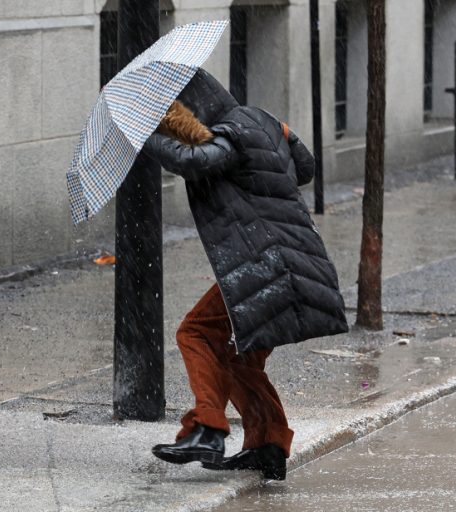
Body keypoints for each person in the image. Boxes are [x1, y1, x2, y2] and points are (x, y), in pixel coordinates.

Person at [144, 71, 348, 481]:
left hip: (264, 260)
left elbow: (193, 162)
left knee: (197, 333)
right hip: (299, 256)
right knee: (240, 355)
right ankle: (268, 444)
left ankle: (206, 429)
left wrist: (145, 134)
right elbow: (304, 168)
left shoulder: (230, 133)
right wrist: (280, 138)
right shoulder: (265, 121)